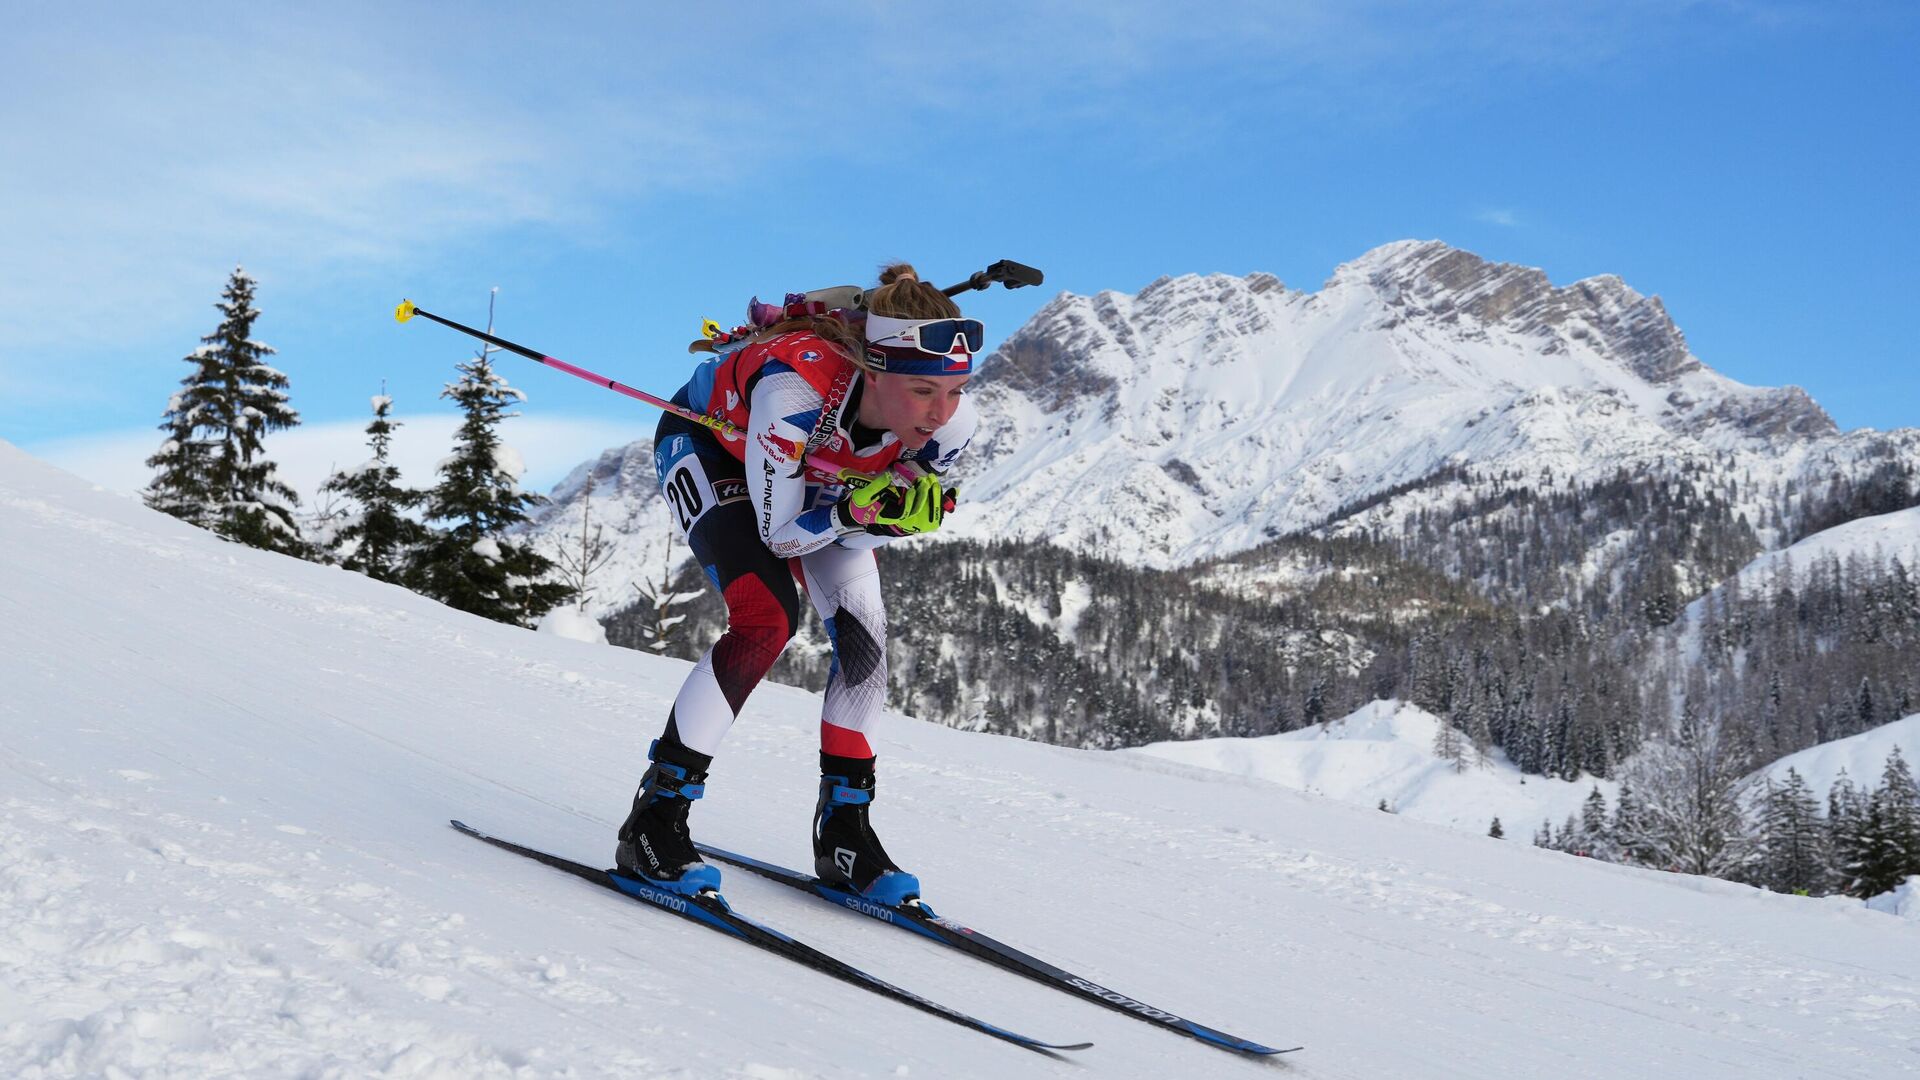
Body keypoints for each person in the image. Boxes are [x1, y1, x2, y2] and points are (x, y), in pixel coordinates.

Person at [616, 264, 980, 905]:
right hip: (711, 444)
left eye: (953, 392)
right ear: (874, 370)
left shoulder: (950, 426)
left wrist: (888, 520)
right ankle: (655, 818)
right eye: (923, 391)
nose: (940, 412)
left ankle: (845, 831)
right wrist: (853, 511)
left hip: (815, 478)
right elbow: (782, 533)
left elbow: (855, 535)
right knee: (767, 619)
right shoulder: (793, 391)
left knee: (864, 638)